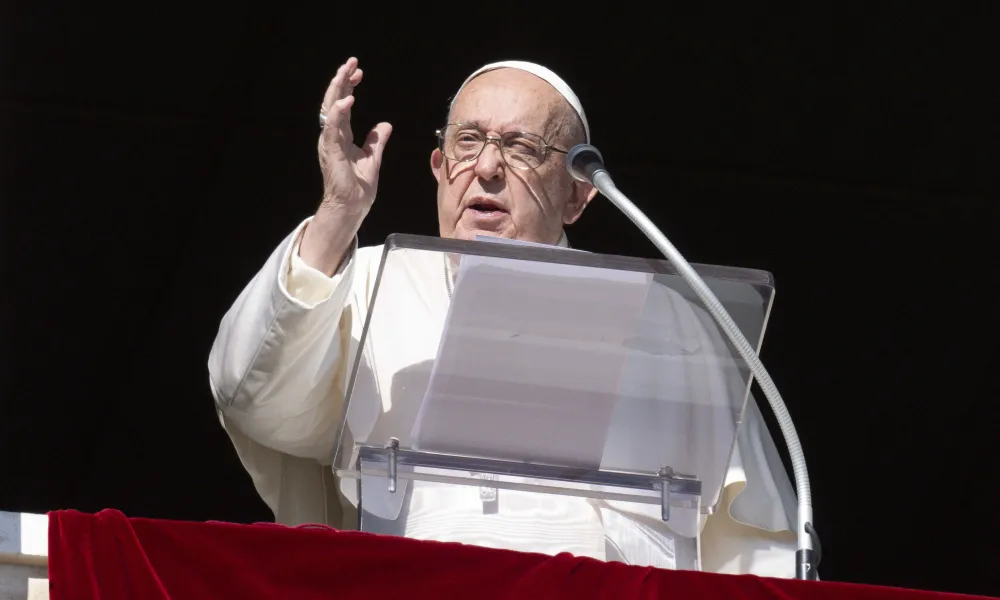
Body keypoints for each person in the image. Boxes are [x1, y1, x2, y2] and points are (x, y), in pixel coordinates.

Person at [208, 57, 799, 576]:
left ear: (577, 195)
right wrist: (338, 213)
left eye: (521, 148)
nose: (487, 167)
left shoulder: (673, 323)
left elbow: (752, 546)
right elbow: (254, 396)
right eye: (468, 142)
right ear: (439, 167)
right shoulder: (361, 281)